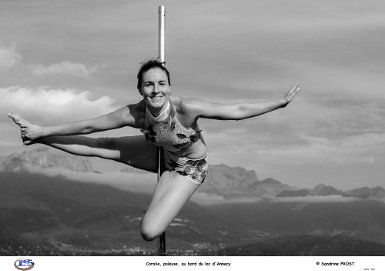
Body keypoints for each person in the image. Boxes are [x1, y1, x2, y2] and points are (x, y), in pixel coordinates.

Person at [8, 59, 300, 241]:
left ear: (170, 86)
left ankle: (166, 195)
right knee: (103, 146)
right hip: (158, 151)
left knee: (149, 232)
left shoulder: (186, 109)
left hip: (187, 167)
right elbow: (89, 128)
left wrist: (280, 102)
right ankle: (34, 136)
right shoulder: (134, 113)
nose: (156, 89)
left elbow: (236, 110)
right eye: (149, 84)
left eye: (161, 83)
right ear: (140, 89)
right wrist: (44, 130)